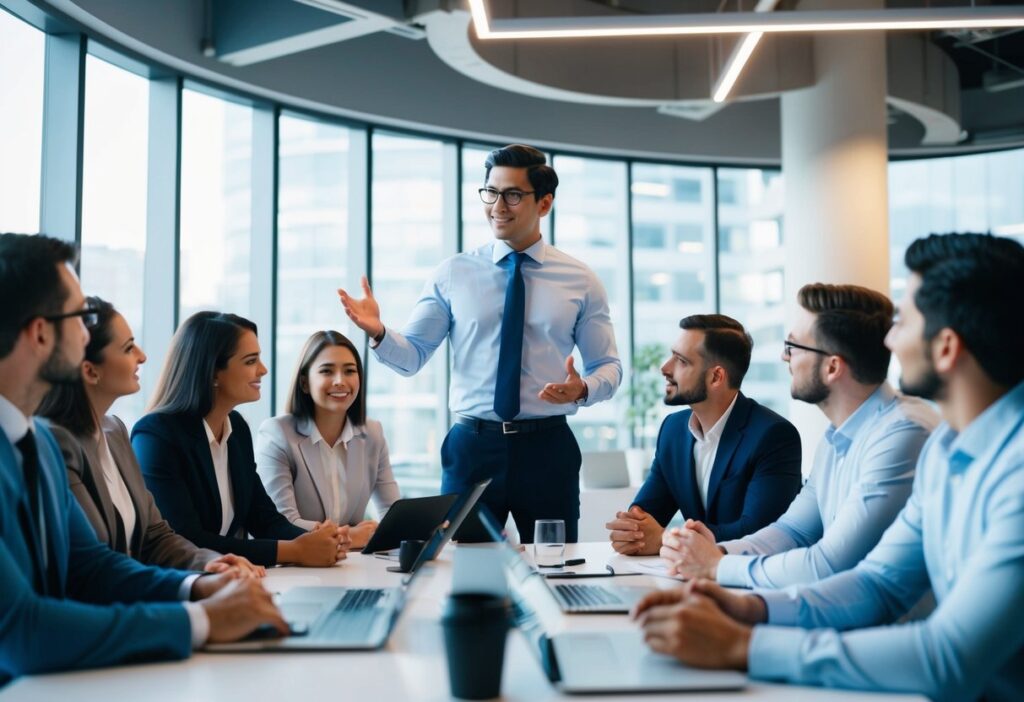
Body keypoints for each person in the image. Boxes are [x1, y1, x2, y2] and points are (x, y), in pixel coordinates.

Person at [632, 233, 1024, 702]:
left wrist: (744, 642)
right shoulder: (944, 448)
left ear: (945, 348)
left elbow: (948, 658)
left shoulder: (977, 457)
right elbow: (877, 583)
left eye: (904, 322)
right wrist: (746, 607)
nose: (891, 339)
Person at [0, 233, 285, 683]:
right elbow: (21, 631)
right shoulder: (48, 443)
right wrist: (204, 620)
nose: (85, 330)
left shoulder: (34, 443)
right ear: (39, 333)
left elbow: (90, 565)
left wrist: (197, 585)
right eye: (80, 317)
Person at [339, 144, 622, 542]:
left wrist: (584, 389)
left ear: (544, 204)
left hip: (547, 448)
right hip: (472, 448)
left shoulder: (580, 279)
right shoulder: (454, 273)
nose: (497, 206)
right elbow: (413, 357)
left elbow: (609, 366)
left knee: (556, 567)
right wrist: (379, 332)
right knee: (464, 570)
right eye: (490, 192)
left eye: (512, 195)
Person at [660, 284, 938, 587]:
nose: (784, 356)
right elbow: (794, 531)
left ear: (832, 367)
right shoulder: (836, 438)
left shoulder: (903, 434)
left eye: (793, 347)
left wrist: (718, 566)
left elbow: (827, 564)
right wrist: (716, 550)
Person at [37, 296, 263, 576]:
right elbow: (94, 565)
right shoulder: (57, 443)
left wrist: (208, 563)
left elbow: (155, 535)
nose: (142, 356)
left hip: (142, 596)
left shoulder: (115, 431)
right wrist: (194, 590)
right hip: (112, 608)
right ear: (90, 370)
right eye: (128, 348)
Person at [132, 312, 348, 568]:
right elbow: (187, 540)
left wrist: (319, 540)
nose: (263, 369)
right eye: (250, 361)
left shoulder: (236, 428)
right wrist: (293, 551)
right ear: (212, 372)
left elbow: (264, 519)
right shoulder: (156, 437)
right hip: (183, 589)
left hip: (229, 580)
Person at [606, 314, 802, 555]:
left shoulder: (773, 435)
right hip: (691, 576)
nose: (665, 368)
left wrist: (667, 539)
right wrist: (631, 532)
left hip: (751, 581)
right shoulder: (672, 430)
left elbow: (760, 531)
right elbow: (644, 516)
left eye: (681, 361)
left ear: (715, 377)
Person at [256, 330, 400, 549]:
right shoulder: (277, 434)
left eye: (350, 371)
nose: (340, 381)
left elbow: (393, 514)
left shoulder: (372, 433)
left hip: (350, 564)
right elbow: (282, 524)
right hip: (296, 565)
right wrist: (350, 536)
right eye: (327, 371)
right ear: (304, 382)